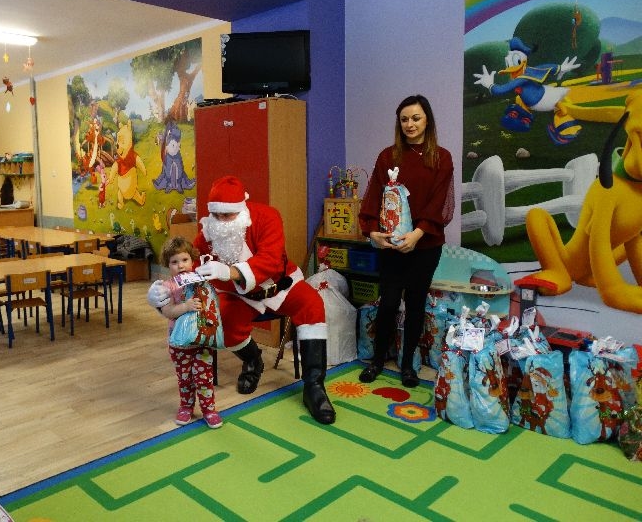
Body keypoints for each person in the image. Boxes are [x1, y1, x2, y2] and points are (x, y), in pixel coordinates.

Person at [148, 176, 336, 425]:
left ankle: (314, 386)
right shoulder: (210, 230)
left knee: (312, 304)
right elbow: (188, 264)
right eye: (217, 215)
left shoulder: (267, 217)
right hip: (238, 295)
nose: (222, 221)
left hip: (279, 286)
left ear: (240, 208)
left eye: (227, 215)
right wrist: (163, 292)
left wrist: (230, 272)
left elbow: (270, 260)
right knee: (224, 323)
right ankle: (253, 360)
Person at [357, 94, 454, 388]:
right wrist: (372, 231)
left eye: (416, 118)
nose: (410, 124)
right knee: (387, 304)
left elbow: (438, 202)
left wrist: (417, 234)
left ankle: (408, 365)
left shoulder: (442, 157)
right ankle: (376, 361)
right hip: (391, 246)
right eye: (404, 119)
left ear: (427, 121)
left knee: (415, 305)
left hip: (425, 246)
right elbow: (373, 195)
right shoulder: (388, 156)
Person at [159, 235, 223, 429]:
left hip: (203, 338)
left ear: (193, 260)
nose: (180, 265)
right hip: (179, 342)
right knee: (184, 377)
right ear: (167, 264)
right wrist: (185, 306)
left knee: (204, 377)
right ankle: (186, 406)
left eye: (184, 260)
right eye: (174, 262)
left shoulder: (200, 281)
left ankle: (209, 409)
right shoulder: (168, 286)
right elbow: (167, 311)